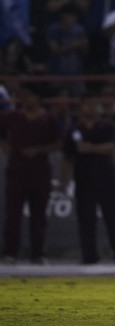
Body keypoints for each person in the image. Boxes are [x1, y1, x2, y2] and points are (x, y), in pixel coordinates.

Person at [60, 95, 115, 265]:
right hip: (84, 180)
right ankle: (89, 256)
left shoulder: (106, 126)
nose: (90, 108)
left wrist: (91, 148)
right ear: (81, 107)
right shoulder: (74, 129)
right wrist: (63, 180)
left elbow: (111, 146)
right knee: (86, 219)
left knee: (112, 217)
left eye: (94, 104)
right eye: (87, 104)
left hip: (106, 179)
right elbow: (67, 157)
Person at [1, 84, 61, 263]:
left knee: (39, 214)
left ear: (39, 98)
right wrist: (6, 147)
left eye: (30, 95)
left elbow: (58, 142)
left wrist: (39, 150)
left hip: (39, 171)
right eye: (24, 95)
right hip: (17, 170)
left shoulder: (48, 119)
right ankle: (10, 252)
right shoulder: (13, 117)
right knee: (12, 214)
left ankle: (38, 253)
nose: (27, 99)